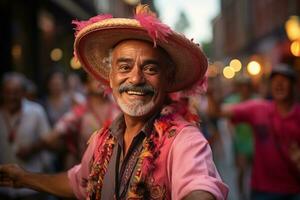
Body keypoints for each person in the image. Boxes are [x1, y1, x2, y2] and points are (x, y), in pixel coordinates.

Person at [0, 4, 228, 200]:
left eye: (150, 68)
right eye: (124, 67)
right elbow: (79, 182)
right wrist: (23, 178)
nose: (136, 78)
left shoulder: (185, 140)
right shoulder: (102, 140)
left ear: (167, 80)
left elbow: (199, 185)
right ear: (111, 78)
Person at [209, 63, 300, 200]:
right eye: (275, 80)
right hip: (262, 191)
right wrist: (211, 92)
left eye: (284, 80)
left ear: (294, 85)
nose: (279, 84)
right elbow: (217, 112)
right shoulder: (258, 108)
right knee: (241, 170)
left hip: (294, 190)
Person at [0, 72, 52, 200]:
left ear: (23, 92)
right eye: (8, 92)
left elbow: (49, 140)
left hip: (31, 188)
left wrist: (32, 148)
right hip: (4, 189)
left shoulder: (36, 111)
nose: (11, 96)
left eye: (16, 92)